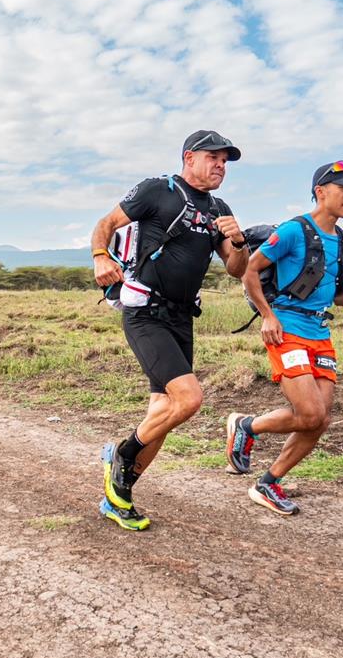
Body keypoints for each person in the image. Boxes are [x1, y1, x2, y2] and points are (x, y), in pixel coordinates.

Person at [91, 130, 249, 530]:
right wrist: (99, 257)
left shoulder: (219, 208)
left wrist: (238, 240)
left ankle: (119, 497)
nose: (221, 166)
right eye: (214, 157)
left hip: (181, 317)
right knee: (189, 399)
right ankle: (122, 457)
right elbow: (106, 223)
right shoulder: (156, 190)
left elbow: (236, 269)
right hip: (145, 312)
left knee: (164, 412)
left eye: (226, 161)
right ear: (189, 157)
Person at [228, 161, 343, 515]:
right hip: (285, 329)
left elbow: (338, 294)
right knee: (309, 412)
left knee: (320, 419)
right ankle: (247, 426)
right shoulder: (293, 230)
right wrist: (268, 315)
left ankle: (268, 482)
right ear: (321, 192)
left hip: (320, 333)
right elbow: (250, 272)